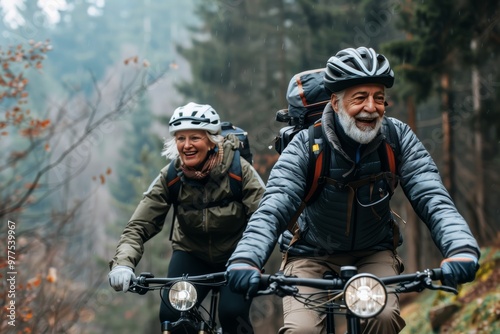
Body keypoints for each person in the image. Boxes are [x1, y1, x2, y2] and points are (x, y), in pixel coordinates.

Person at [225, 47, 480, 333]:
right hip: (311, 255)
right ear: (335, 102)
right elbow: (273, 207)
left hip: (373, 253)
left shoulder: (398, 138)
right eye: (360, 97)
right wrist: (247, 258)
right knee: (302, 331)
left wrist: (460, 248)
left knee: (381, 318)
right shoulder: (306, 146)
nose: (371, 107)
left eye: (379, 98)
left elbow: (432, 196)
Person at [108, 102, 265, 333]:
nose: (187, 145)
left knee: (232, 315)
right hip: (192, 253)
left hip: (237, 255)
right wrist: (123, 264)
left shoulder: (238, 170)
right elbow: (138, 226)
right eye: (180, 138)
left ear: (211, 139)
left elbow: (265, 215)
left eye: (195, 138)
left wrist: (256, 256)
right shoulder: (170, 176)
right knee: (172, 315)